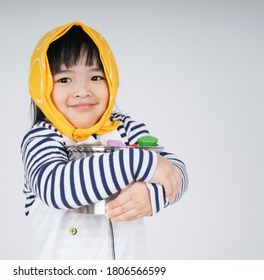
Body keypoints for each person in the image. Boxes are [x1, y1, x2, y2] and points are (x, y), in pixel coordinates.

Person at [21, 22, 188, 259]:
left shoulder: (124, 127)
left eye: (96, 77)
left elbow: (173, 173)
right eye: (65, 80)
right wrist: (140, 163)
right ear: (41, 86)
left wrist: (151, 195)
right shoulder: (42, 137)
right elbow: (56, 188)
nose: (83, 90)